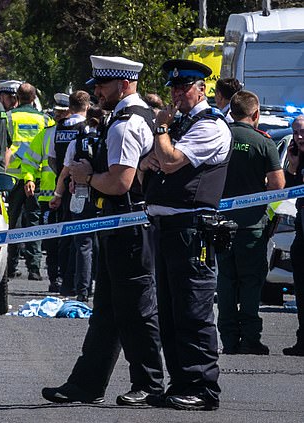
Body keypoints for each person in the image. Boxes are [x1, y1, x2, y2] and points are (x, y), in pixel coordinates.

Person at [42, 55, 164, 407]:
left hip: (128, 226)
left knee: (137, 311)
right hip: (120, 226)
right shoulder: (133, 116)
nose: (97, 91)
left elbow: (120, 182)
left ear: (124, 84)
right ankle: (86, 384)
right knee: (108, 311)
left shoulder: (126, 123)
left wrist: (86, 176)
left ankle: (149, 384)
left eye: (103, 85)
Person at [140, 59, 232, 411]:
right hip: (167, 227)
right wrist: (159, 149)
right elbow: (152, 161)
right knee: (170, 312)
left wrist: (162, 132)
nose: (177, 94)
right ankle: (181, 382)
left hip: (192, 229)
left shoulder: (210, 126)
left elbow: (170, 161)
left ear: (202, 89)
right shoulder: (184, 123)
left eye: (185, 87)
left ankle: (202, 388)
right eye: (174, 88)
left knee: (193, 311)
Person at [216, 90, 285, 355]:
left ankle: (229, 339)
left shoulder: (220, 136)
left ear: (232, 111)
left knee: (225, 281)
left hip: (220, 224)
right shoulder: (263, 142)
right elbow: (278, 185)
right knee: (250, 282)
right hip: (251, 225)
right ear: (255, 114)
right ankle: (250, 338)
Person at [6, 82, 55, 280]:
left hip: (11, 177)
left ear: (17, 97)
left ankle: (10, 266)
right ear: (34, 98)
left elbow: (2, 144)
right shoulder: (46, 120)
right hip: (37, 177)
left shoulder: (8, 118)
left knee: (13, 222)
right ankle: (34, 269)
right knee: (34, 222)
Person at [49, 91, 91, 297]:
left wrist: (59, 187)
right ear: (87, 106)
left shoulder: (59, 128)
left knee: (65, 236)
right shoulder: (87, 128)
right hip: (83, 188)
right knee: (84, 238)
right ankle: (80, 282)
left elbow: (52, 158)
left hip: (63, 185)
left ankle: (64, 280)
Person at [283, 115, 304, 356]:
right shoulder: (295, 155)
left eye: (303, 132)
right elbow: (287, 188)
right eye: (296, 132)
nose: (299, 137)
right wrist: (293, 165)